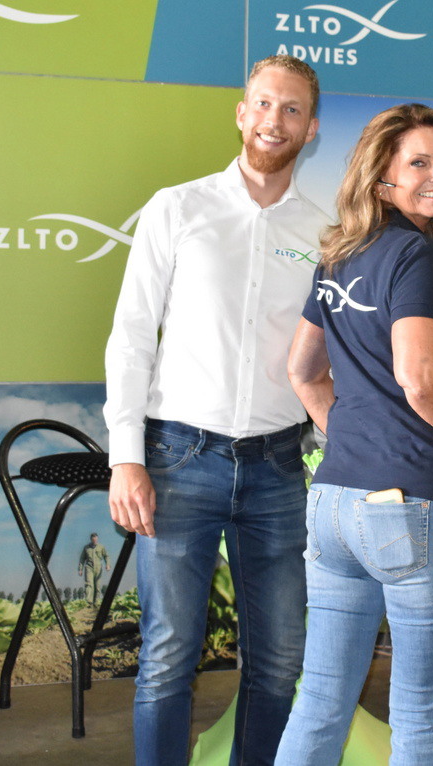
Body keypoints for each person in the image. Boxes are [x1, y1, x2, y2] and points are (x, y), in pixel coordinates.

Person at [104, 54, 324, 766]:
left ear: (311, 129)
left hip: (278, 467)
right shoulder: (177, 208)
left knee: (280, 663)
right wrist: (126, 458)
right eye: (263, 103)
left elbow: (329, 360)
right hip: (177, 460)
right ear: (241, 112)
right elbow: (131, 337)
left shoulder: (325, 234)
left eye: (291, 109)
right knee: (168, 658)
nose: (274, 120)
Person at [274, 104, 433, 766]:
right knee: (421, 714)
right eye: (418, 163)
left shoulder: (338, 258)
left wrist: (355, 442)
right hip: (415, 506)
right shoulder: (413, 256)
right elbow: (421, 380)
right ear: (381, 180)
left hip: (335, 504)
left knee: (320, 701)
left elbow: (302, 373)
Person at [77, 532, 112, 606]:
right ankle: (89, 602)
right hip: (89, 567)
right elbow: (82, 559)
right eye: (93, 540)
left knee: (97, 586)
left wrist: (108, 565)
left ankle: (96, 602)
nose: (94, 541)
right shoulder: (86, 548)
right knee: (89, 584)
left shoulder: (101, 547)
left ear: (97, 539)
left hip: (98, 568)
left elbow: (106, 556)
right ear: (91, 539)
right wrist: (80, 569)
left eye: (96, 540)